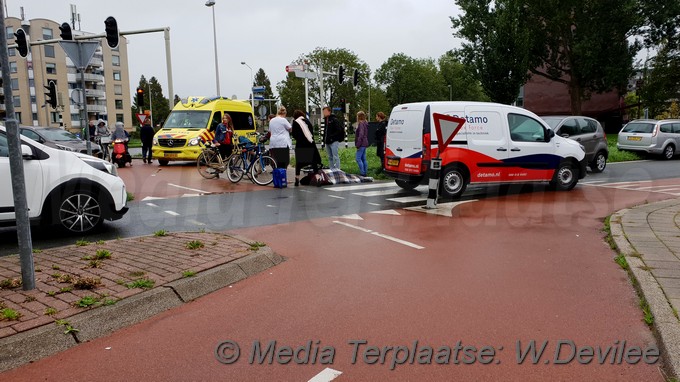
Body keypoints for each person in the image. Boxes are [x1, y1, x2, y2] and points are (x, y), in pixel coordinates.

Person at [291, 110, 322, 186]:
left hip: (301, 145)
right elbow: (311, 133)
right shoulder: (308, 122)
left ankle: (297, 179)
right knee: (313, 162)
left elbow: (294, 134)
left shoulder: (295, 123)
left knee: (299, 162)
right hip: (310, 144)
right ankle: (317, 178)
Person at [355, 111, 369, 176]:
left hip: (361, 143)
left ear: (359, 117)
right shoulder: (365, 123)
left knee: (358, 158)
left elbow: (361, 134)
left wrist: (358, 144)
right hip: (365, 142)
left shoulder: (361, 124)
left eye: (357, 116)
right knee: (363, 158)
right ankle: (365, 172)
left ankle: (362, 173)